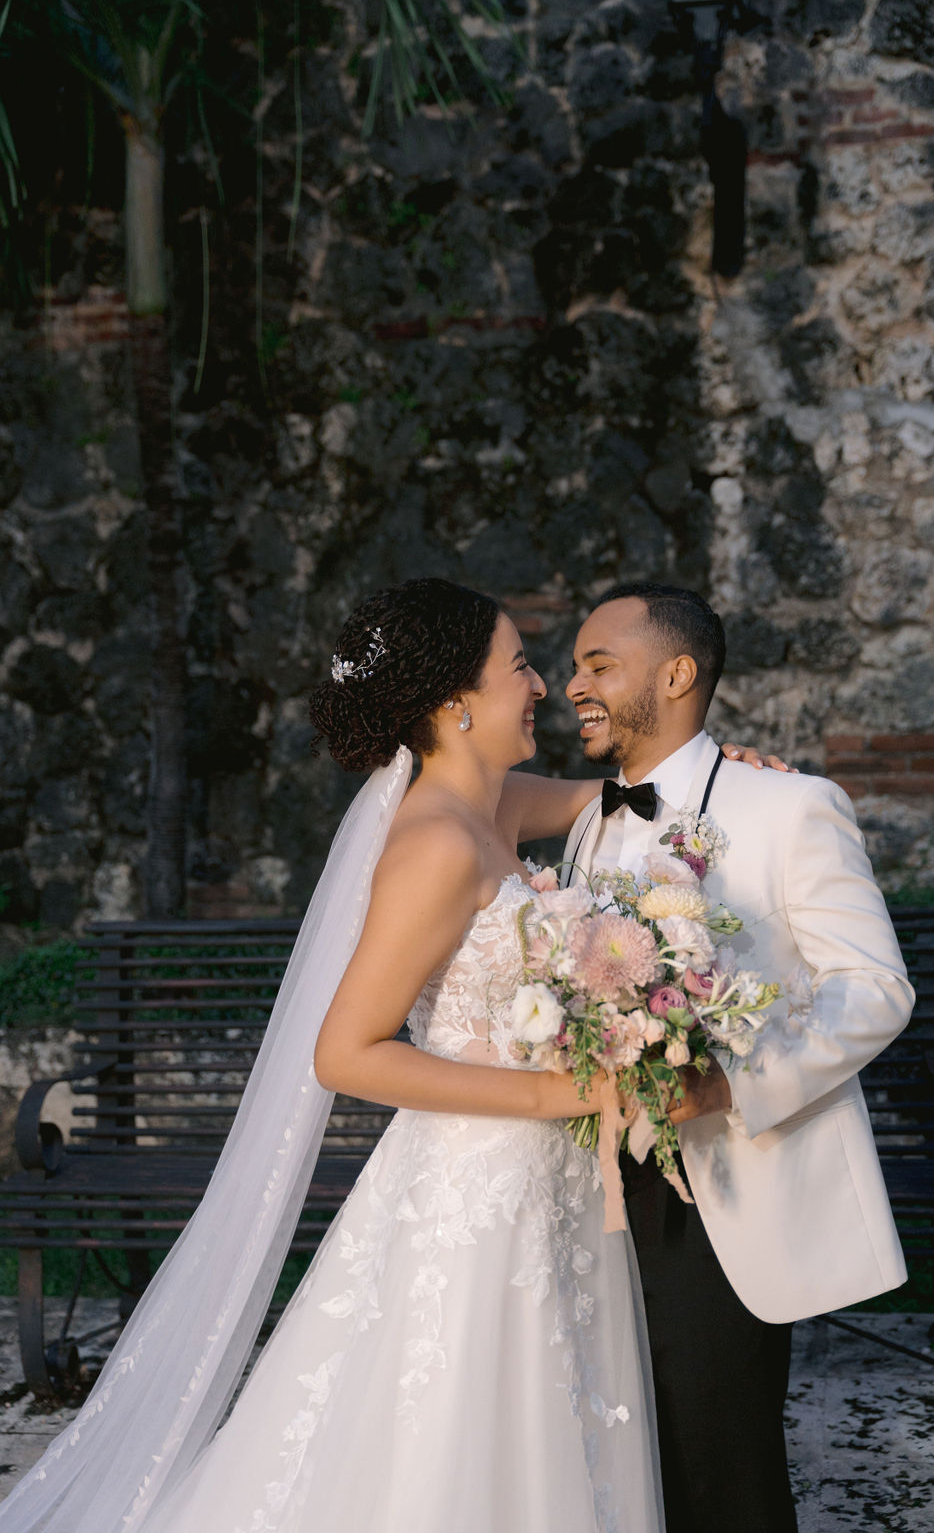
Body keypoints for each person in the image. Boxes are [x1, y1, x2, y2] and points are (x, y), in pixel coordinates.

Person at [0, 577, 775, 1533]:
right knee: (453, 1431)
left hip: (552, 1179)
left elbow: (626, 796)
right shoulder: (435, 843)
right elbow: (346, 1054)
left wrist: (720, 772)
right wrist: (561, 1090)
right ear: (456, 702)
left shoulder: (493, 801)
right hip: (476, 1182)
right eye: (520, 666)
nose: (540, 686)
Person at [562, 582, 915, 1533]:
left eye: (599, 664)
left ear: (676, 673)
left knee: (724, 1475)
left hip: (729, 1182)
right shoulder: (590, 823)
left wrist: (725, 1082)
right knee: (629, 1463)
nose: (572, 685)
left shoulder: (791, 805)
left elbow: (876, 988)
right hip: (593, 1192)